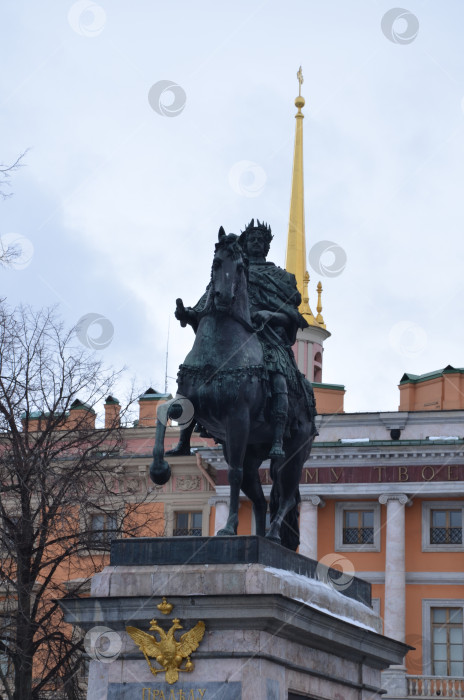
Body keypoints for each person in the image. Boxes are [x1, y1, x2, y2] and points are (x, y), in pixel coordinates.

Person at [169, 219, 311, 457]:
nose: (256, 243)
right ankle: (184, 439)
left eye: (261, 240)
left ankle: (277, 437)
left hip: (266, 337)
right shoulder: (231, 268)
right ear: (245, 244)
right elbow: (209, 302)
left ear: (267, 246)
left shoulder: (281, 278)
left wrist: (269, 314)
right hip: (230, 337)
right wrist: (189, 313)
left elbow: (292, 317)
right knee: (195, 373)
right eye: (252, 239)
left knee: (277, 373)